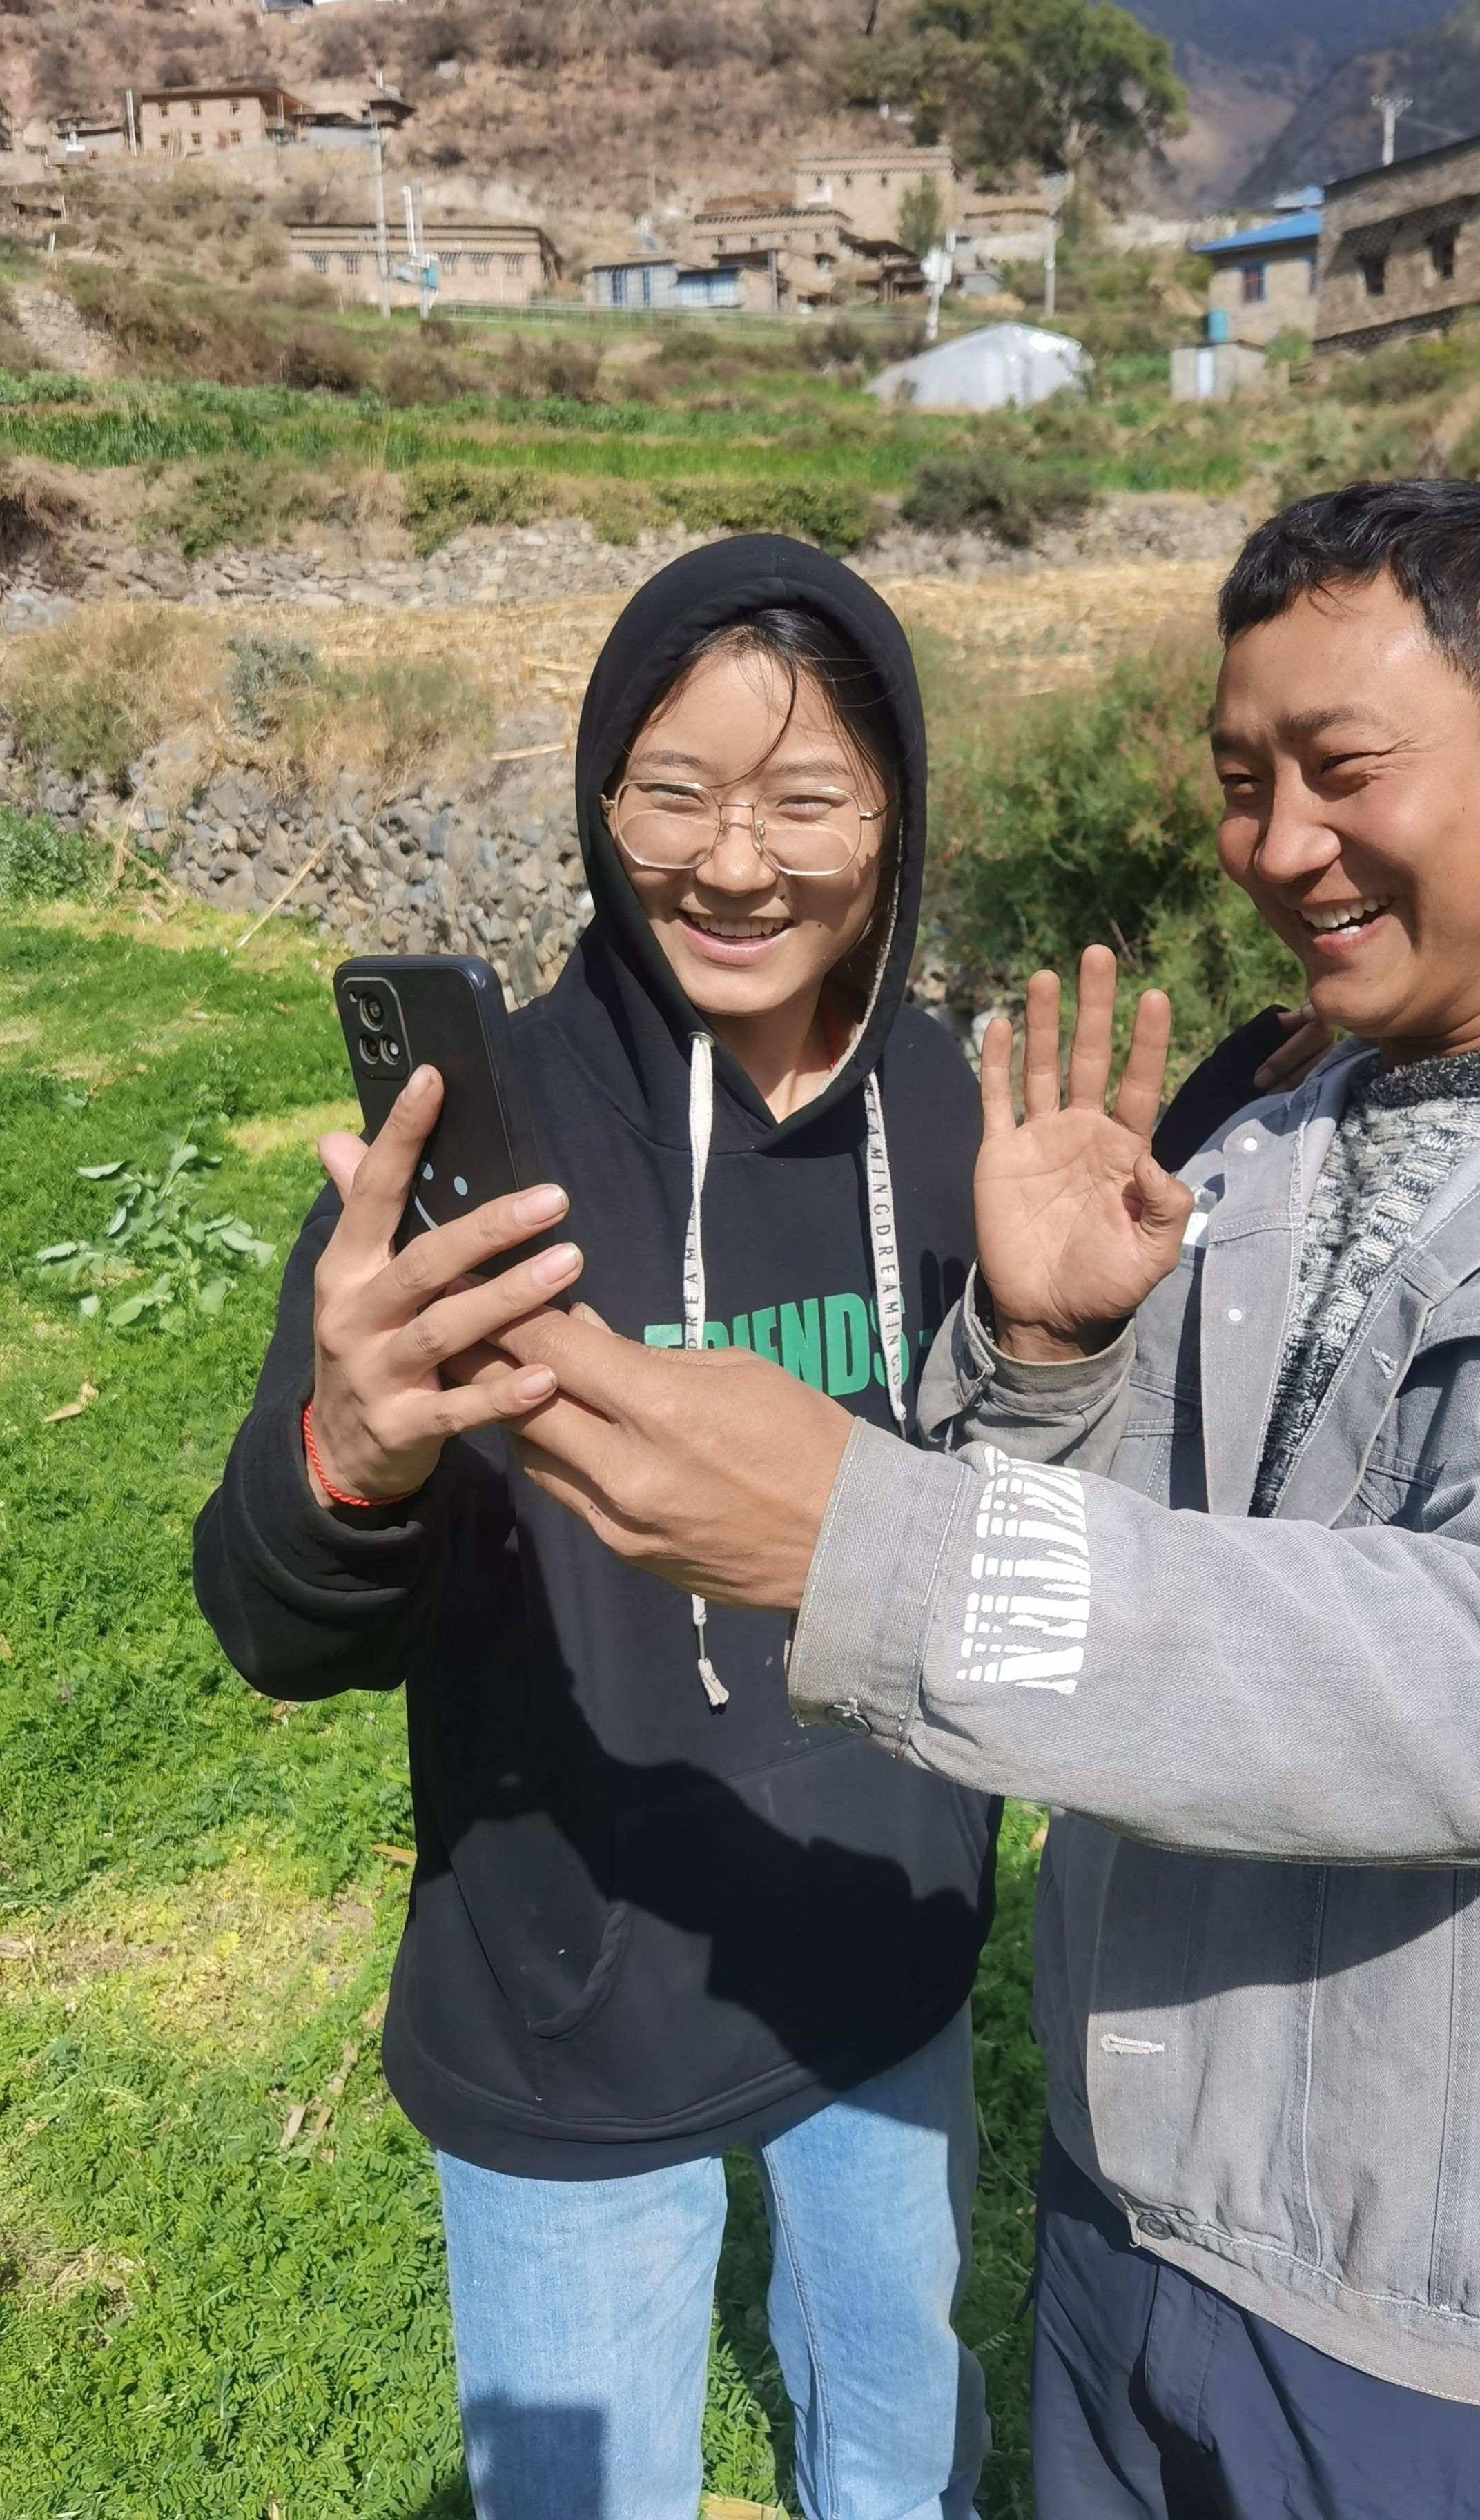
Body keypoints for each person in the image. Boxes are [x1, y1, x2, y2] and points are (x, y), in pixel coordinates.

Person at [441, 480, 1480, 2517]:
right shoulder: (1248, 1139)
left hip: (1460, 2317)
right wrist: (1041, 1355)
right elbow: (1094, 1604)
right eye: (1241, 782)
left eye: (1344, 769)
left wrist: (864, 1540)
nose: (1281, 845)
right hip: (1131, 2228)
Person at [195, 539, 1006, 2520]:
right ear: (597, 798)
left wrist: (1061, 1333)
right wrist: (348, 1453)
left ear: (894, 818)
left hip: (881, 1953)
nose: (734, 865)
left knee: (900, 2461)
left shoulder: (944, 1111)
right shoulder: (480, 1150)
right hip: (565, 2000)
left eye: (806, 799)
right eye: (676, 793)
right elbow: (275, 1624)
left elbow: (1015, 1522)